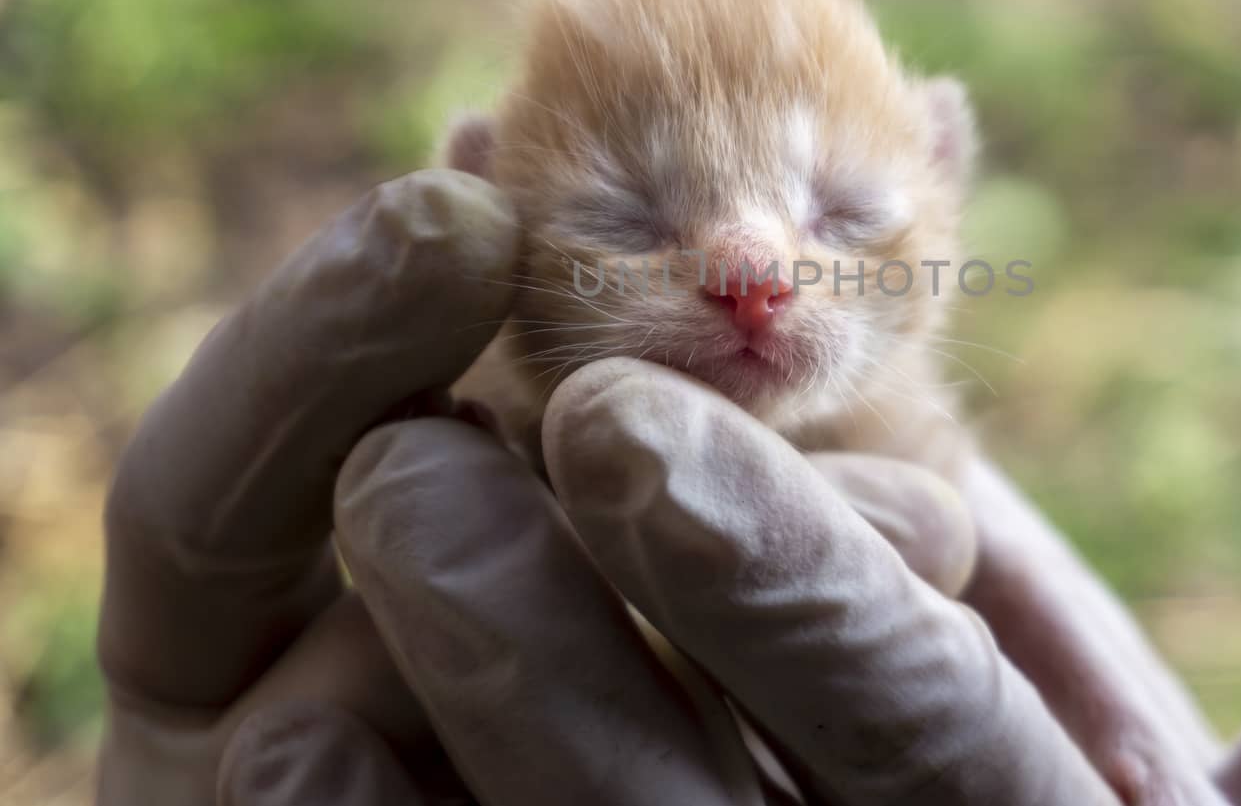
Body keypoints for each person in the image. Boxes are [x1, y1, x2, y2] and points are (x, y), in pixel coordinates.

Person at [95, 169, 1119, 806]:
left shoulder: (916, 427)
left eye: (844, 214)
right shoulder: (482, 427)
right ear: (481, 171)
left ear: (944, 165)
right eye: (620, 221)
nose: (755, 276)